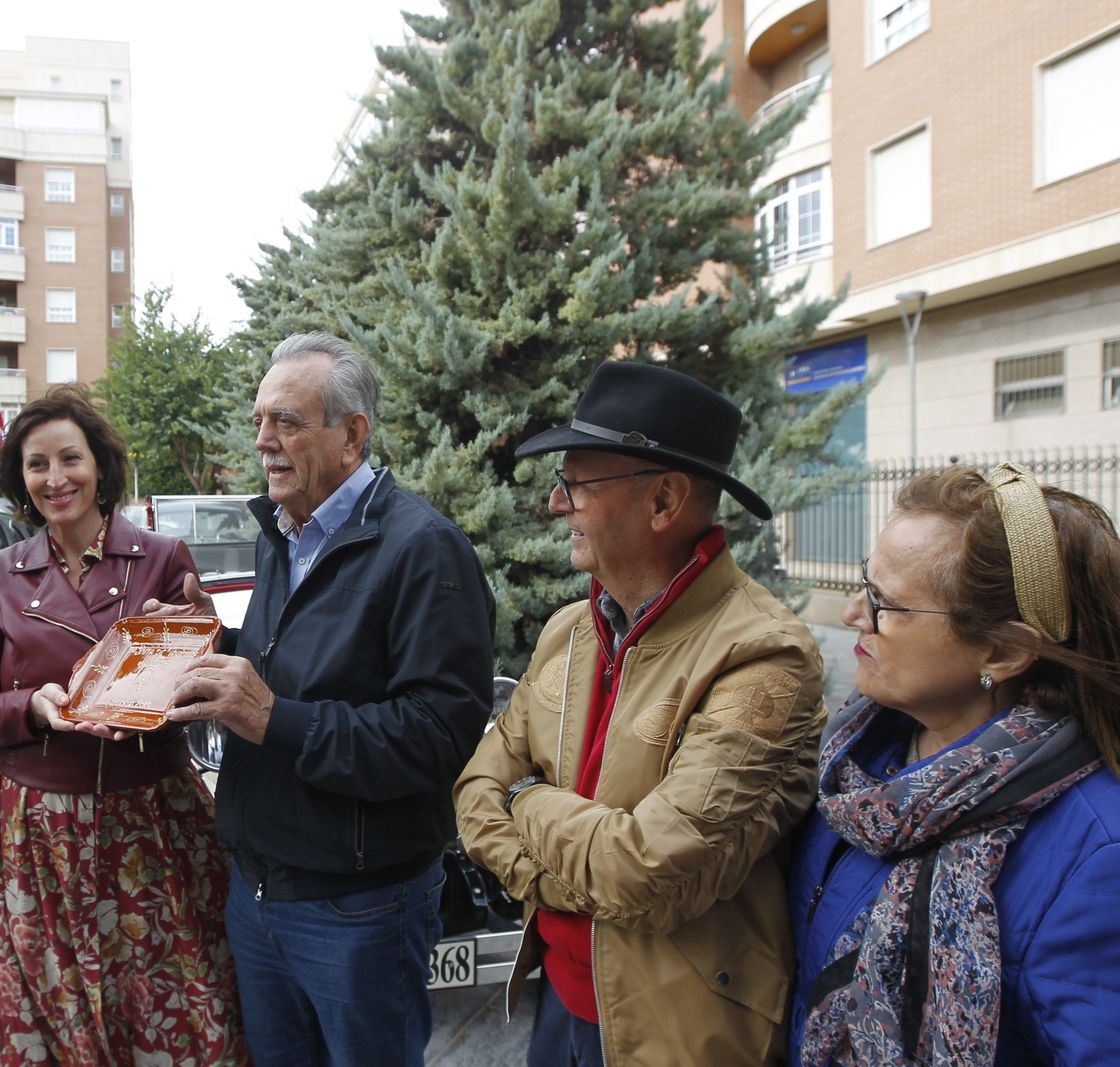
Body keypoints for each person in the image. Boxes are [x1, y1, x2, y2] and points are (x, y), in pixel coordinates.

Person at [453, 360, 827, 1067]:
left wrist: (523, 797)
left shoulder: (762, 654)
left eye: (575, 485)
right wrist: (566, 862)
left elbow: (647, 872)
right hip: (559, 1005)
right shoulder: (570, 628)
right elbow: (474, 795)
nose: (556, 504)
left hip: (679, 1033)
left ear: (663, 501)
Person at [155, 332, 496, 1067]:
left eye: (286, 421)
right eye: (258, 422)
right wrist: (213, 644)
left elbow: (438, 735)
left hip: (359, 908)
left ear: (352, 435)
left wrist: (272, 717)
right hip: (258, 893)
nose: (263, 441)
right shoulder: (282, 534)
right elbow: (297, 667)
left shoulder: (424, 549)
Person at [0, 386, 246, 1067]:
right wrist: (32, 707)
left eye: (70, 459)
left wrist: (157, 688)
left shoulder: (163, 558)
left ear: (100, 466)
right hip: (40, 827)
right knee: (58, 1004)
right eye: (36, 464)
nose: (56, 479)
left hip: (152, 816)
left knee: (178, 1000)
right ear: (19, 479)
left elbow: (201, 673)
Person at [787, 464, 1120, 1066]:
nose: (851, 615)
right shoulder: (856, 769)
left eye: (886, 604)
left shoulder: (1098, 856)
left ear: (1003, 650)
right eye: (866, 581)